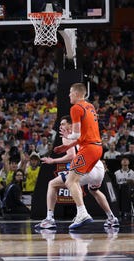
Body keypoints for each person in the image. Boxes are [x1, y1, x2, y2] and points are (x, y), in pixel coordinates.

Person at [39, 114, 118, 230]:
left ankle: (51, 219)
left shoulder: (67, 136)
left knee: (53, 184)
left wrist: (53, 160)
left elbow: (72, 156)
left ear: (70, 125)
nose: (60, 126)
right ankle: (112, 218)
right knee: (94, 190)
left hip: (85, 167)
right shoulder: (82, 131)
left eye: (63, 124)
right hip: (98, 167)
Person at [54, 83, 104, 229]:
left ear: (76, 93)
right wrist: (68, 146)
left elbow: (76, 134)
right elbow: (82, 135)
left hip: (88, 149)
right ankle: (82, 213)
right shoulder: (90, 106)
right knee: (75, 180)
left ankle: (82, 213)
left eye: (70, 92)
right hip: (97, 148)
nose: (69, 95)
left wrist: (68, 137)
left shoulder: (75, 108)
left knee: (70, 181)